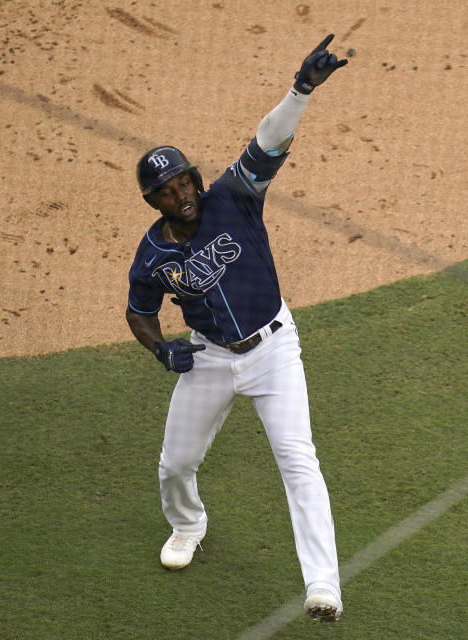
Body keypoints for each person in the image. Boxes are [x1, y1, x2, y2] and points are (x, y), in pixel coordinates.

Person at [124, 34, 348, 622]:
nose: (181, 195)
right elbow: (139, 310)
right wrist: (159, 349)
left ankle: (324, 585)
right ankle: (188, 525)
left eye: (184, 182)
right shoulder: (152, 254)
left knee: (298, 459)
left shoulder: (234, 197)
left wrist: (300, 91)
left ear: (196, 180)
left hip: (275, 349)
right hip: (209, 359)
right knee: (175, 464)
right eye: (167, 192)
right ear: (155, 201)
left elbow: (266, 143)